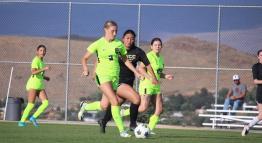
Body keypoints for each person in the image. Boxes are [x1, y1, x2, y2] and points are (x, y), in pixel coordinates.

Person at [81, 20, 143, 138]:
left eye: (116, 31)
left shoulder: (118, 44)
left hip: (115, 77)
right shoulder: (98, 43)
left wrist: (135, 72)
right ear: (106, 30)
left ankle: (85, 106)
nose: (115, 33)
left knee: (104, 105)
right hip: (102, 76)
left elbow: (125, 60)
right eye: (112, 31)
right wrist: (85, 69)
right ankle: (122, 131)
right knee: (114, 101)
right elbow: (84, 58)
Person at [95, 29, 158, 133]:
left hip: (128, 84)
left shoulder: (138, 52)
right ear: (123, 39)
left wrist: (153, 77)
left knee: (116, 104)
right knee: (136, 99)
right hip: (117, 82)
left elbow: (148, 65)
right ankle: (133, 124)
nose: (129, 40)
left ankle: (104, 120)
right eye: (127, 38)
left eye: (132, 39)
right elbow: (101, 60)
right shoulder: (117, 48)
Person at [137, 37, 174, 134]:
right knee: (143, 107)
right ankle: (124, 111)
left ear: (161, 46)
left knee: (159, 109)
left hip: (156, 86)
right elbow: (140, 69)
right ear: (151, 46)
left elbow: (158, 73)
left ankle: (149, 129)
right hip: (147, 85)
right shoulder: (148, 56)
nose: (158, 46)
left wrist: (166, 76)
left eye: (159, 45)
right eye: (155, 45)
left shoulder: (161, 58)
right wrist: (150, 78)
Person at [18, 44, 50, 127]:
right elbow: (33, 72)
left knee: (46, 103)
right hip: (33, 84)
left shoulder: (42, 61)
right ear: (37, 52)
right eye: (41, 50)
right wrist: (44, 69)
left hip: (40, 84)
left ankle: (33, 117)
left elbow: (39, 74)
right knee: (31, 104)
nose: (43, 52)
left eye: (44, 50)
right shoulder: (35, 60)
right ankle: (21, 122)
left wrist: (45, 77)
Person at [242, 49, 262, 136]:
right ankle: (248, 126)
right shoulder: (256, 67)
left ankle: (248, 126)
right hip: (261, 93)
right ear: (258, 56)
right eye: (261, 55)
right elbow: (255, 81)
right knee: (261, 115)